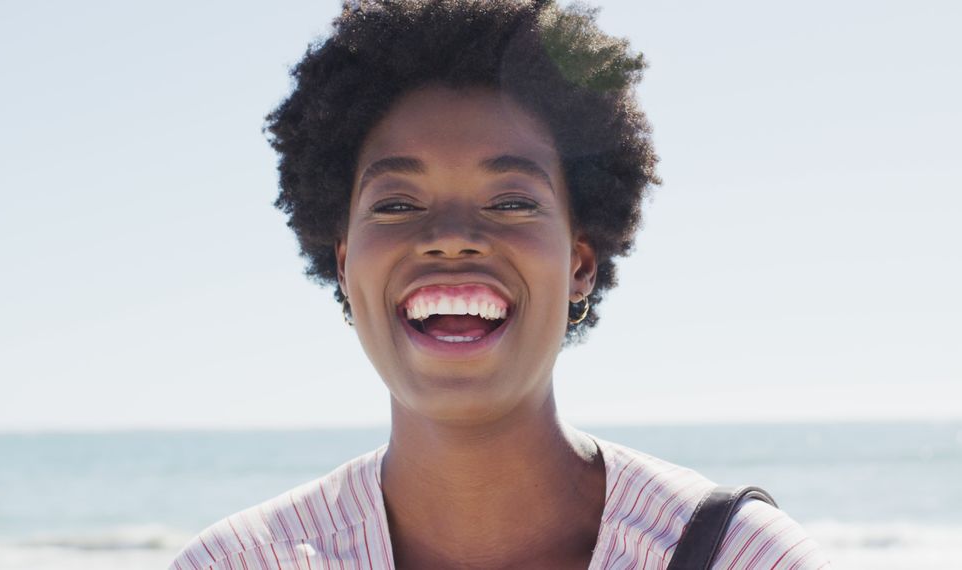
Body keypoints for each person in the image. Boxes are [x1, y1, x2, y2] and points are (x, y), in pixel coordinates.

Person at [170, 1, 831, 568]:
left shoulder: (738, 557)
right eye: (397, 204)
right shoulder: (236, 562)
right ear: (344, 263)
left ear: (579, 264)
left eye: (511, 201)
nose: (452, 236)